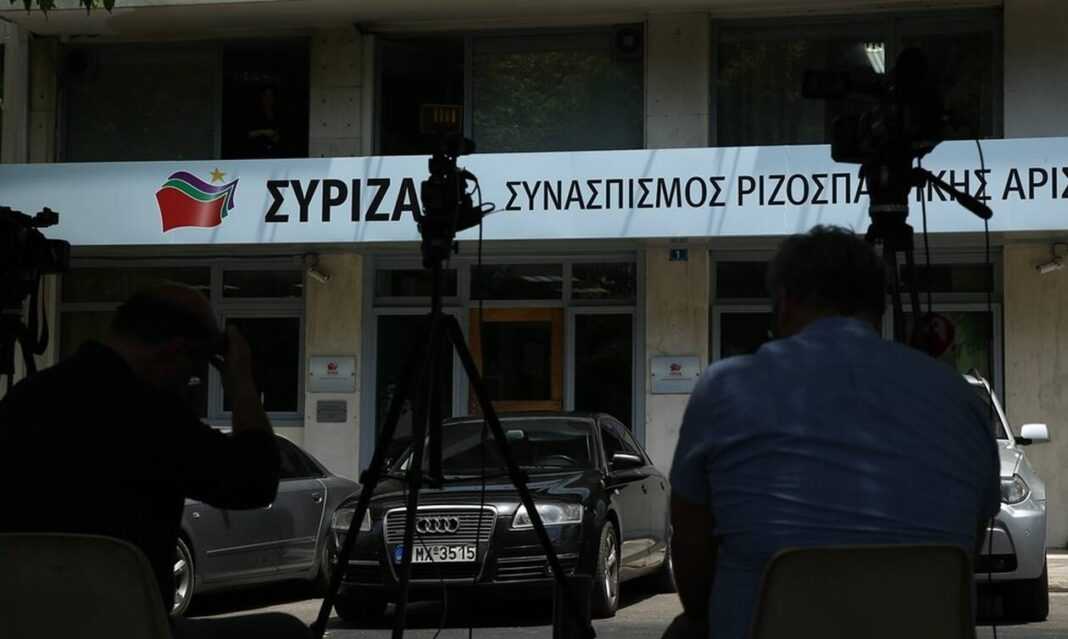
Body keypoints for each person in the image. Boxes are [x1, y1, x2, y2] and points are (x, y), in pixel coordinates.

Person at [668, 225, 1000, 639]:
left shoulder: (724, 388)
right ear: (879, 308)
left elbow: (691, 552)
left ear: (784, 303)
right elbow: (970, 543)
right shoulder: (961, 398)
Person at [0, 284, 310, 638]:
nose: (190, 382)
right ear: (174, 352)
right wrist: (242, 383)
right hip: (130, 627)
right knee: (287, 632)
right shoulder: (152, 417)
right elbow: (255, 482)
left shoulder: (22, 401)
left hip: (22, 625)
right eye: (194, 370)